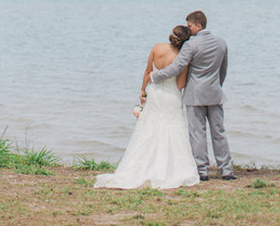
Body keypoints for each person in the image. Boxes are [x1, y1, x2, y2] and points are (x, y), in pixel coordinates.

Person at [94, 24, 200, 190]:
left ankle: (140, 166)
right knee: (172, 130)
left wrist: (143, 91)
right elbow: (180, 84)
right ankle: (168, 169)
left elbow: (147, 71)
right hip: (171, 96)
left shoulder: (157, 48)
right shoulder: (182, 57)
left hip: (155, 93)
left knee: (148, 129)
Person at [151, 10, 235, 181]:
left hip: (195, 94)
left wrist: (155, 76)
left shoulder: (191, 45)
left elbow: (177, 67)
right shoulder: (221, 42)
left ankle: (202, 170)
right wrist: (217, 86)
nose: (188, 30)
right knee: (219, 132)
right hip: (215, 93)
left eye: (190, 26)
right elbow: (223, 70)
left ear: (198, 25)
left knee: (197, 133)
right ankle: (226, 169)